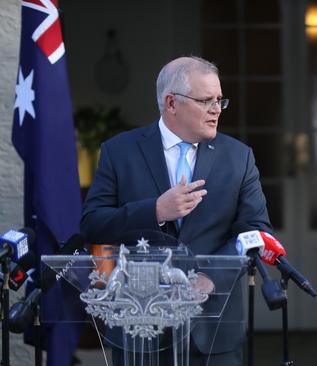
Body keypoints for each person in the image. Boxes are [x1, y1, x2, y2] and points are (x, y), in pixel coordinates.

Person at [80, 56, 272, 365]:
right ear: (171, 103)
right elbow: (92, 224)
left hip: (213, 332)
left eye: (219, 100)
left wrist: (212, 276)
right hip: (139, 328)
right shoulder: (120, 151)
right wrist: (155, 210)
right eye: (205, 100)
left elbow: (256, 231)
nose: (215, 109)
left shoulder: (239, 157)